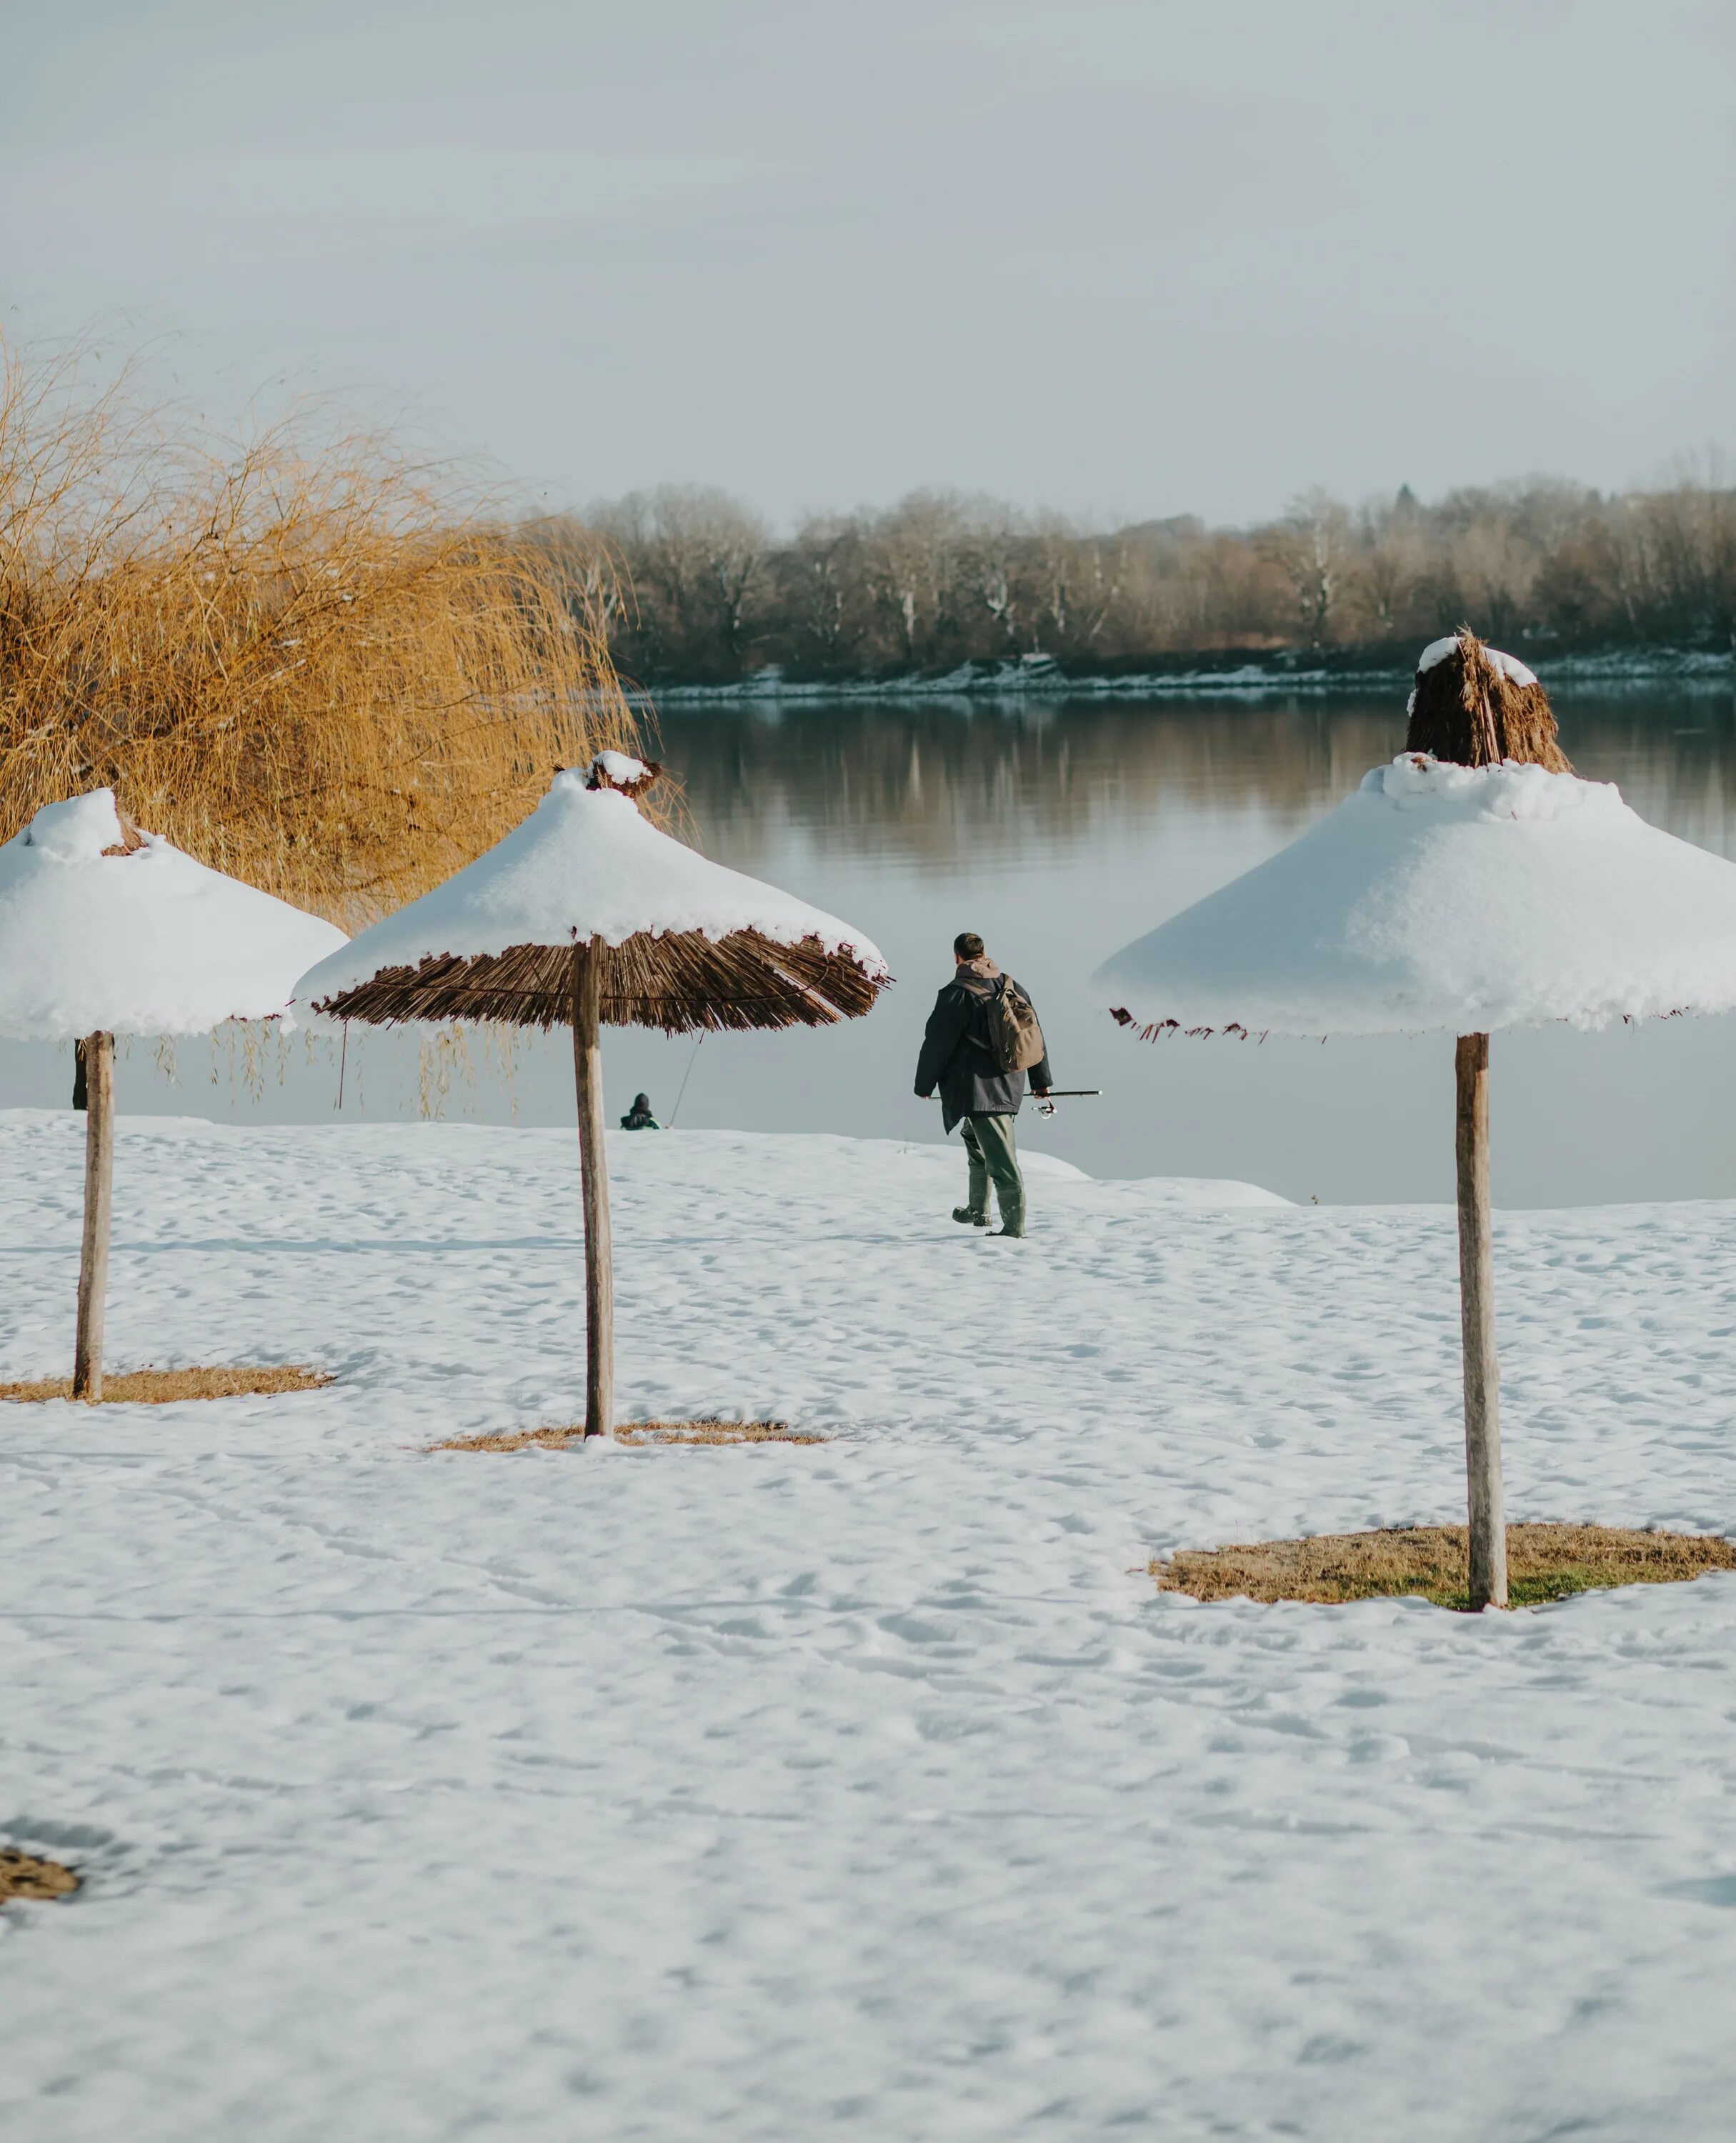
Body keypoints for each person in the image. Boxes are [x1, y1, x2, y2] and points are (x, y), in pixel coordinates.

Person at [913, 931, 1053, 1239]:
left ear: (957, 957)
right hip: (1009, 1083)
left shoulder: (956, 993)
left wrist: (924, 1085)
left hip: (977, 1089)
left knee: (1001, 1160)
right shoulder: (1012, 987)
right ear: (984, 953)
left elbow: (937, 1044)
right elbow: (1035, 1035)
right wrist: (1041, 1082)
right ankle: (978, 1210)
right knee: (976, 1142)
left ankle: (1014, 1229)